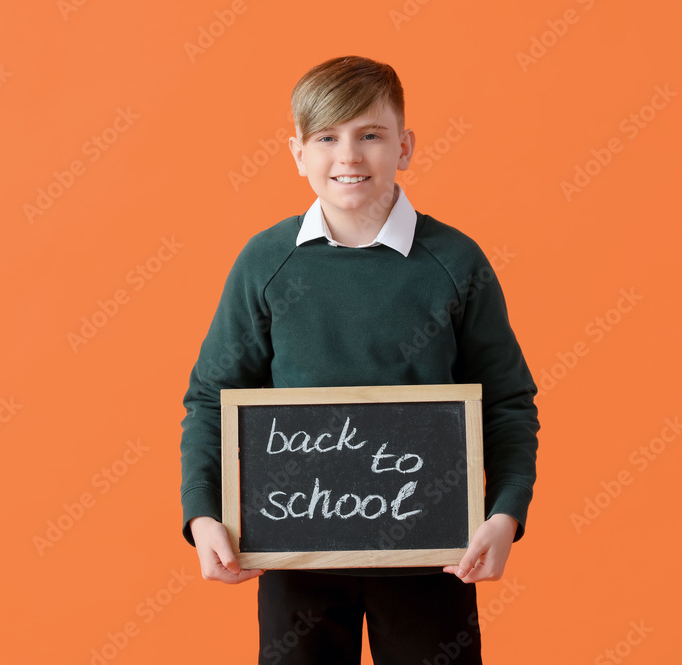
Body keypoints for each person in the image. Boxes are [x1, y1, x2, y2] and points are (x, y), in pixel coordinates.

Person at [180, 54, 540, 665]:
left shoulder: (455, 262)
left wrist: (506, 512)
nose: (348, 156)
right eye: (327, 138)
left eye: (370, 135)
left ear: (404, 146)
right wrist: (202, 513)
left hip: (432, 556)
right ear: (298, 154)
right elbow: (212, 399)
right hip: (296, 555)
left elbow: (506, 401)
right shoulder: (266, 263)